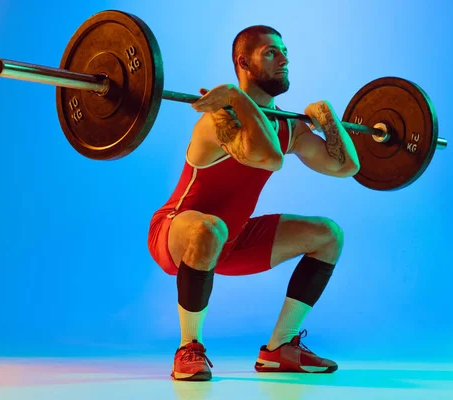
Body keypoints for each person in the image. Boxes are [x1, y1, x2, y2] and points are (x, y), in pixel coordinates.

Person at [147, 25, 360, 381]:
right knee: (208, 228)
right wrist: (235, 98)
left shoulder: (286, 126)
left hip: (231, 238)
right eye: (271, 53)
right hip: (178, 231)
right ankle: (189, 348)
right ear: (244, 63)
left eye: (284, 51)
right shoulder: (219, 120)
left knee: (328, 235)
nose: (284, 59)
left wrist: (329, 121)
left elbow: (346, 166)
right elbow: (268, 157)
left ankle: (281, 348)